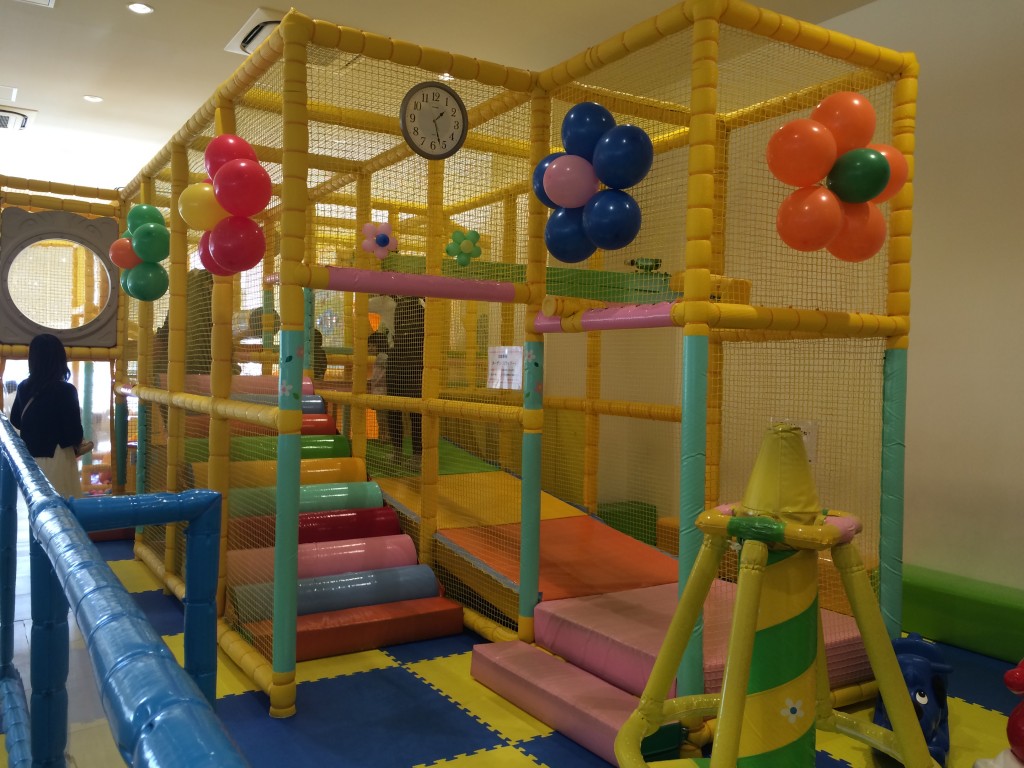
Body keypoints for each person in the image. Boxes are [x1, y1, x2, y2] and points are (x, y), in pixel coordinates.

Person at [10, 334, 86, 498]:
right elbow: (74, 434)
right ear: (59, 359)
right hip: (58, 460)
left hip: (29, 461)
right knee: (61, 508)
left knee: (35, 507)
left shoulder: (24, 387)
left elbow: (15, 420)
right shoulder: (66, 391)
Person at [385, 295, 424, 468]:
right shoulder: (390, 303)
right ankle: (403, 453)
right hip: (408, 361)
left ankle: (413, 454)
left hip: (411, 361)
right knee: (397, 408)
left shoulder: (388, 303)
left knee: (412, 410)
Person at [367, 329, 389, 443]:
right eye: (369, 345)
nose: (370, 348)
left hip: (382, 391)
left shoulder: (382, 357)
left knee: (383, 418)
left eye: (373, 346)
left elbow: (384, 373)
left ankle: (384, 437)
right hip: (379, 390)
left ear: (379, 345)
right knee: (381, 417)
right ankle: (382, 436)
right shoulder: (379, 357)